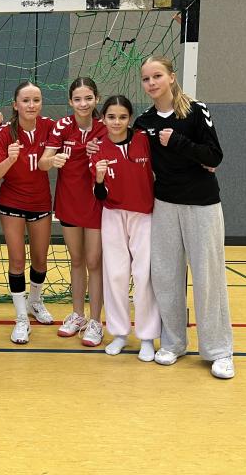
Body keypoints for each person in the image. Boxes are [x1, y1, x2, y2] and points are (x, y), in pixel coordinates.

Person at [134, 56, 234, 379]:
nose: (152, 83)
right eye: (146, 78)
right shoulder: (144, 122)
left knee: (207, 277)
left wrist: (178, 142)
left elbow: (214, 155)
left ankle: (219, 350)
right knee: (166, 276)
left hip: (201, 205)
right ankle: (173, 343)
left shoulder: (195, 111)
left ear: (171, 77)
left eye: (157, 76)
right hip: (164, 205)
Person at [91, 95, 160, 361]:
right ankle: (119, 333)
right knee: (116, 274)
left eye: (122, 117)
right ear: (103, 119)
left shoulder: (143, 140)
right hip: (113, 215)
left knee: (144, 275)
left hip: (144, 215)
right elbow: (99, 194)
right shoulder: (97, 148)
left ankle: (147, 336)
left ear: (130, 119)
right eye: (111, 117)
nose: (117, 122)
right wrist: (99, 178)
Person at [39, 77, 106, 346]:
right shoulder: (62, 126)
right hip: (68, 202)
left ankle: (95, 321)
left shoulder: (104, 127)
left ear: (96, 99)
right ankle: (77, 314)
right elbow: (43, 163)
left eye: (88, 98)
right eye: (77, 99)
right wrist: (53, 159)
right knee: (76, 260)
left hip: (95, 203)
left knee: (94, 262)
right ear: (70, 101)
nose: (83, 104)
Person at [0, 82, 55, 344]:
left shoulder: (50, 127)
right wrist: (9, 159)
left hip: (40, 203)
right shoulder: (5, 133)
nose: (31, 105)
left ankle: (34, 301)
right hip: (12, 203)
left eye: (36, 100)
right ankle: (21, 319)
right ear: (15, 105)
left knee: (40, 260)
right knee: (17, 260)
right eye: (26, 100)